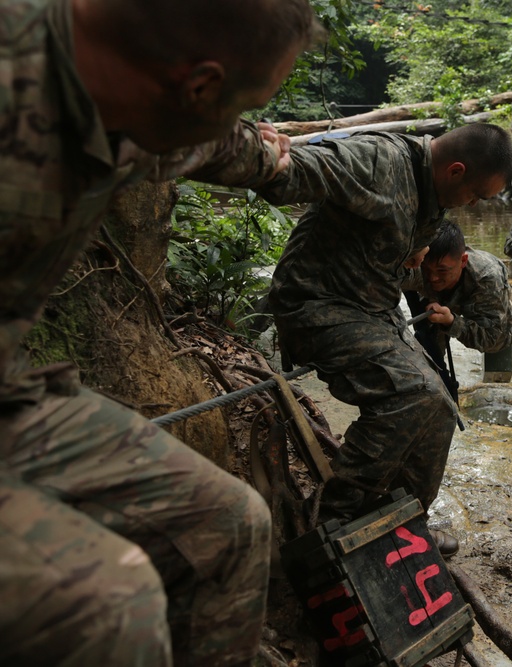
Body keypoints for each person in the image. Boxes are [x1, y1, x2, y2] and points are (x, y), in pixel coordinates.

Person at [0, 1, 322, 665]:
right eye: (240, 105)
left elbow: (223, 145)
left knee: (234, 524)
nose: (236, 124)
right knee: (110, 601)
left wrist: (269, 153)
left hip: (13, 400)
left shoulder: (143, 106)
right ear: (199, 86)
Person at [257, 123, 512, 554]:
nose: (472, 205)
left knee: (440, 404)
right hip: (316, 305)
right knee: (412, 393)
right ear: (454, 171)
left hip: (371, 312)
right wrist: (268, 154)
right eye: (476, 195)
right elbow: (298, 170)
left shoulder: (433, 196)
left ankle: (407, 519)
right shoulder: (382, 162)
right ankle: (332, 520)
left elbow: (492, 336)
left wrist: (414, 249)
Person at [403, 221, 512, 398]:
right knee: (428, 349)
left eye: (442, 270)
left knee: (499, 341)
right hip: (432, 301)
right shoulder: (416, 262)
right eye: (427, 269)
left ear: (463, 261)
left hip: (472, 293)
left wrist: (452, 322)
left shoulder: (486, 278)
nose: (433, 277)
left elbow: (492, 340)